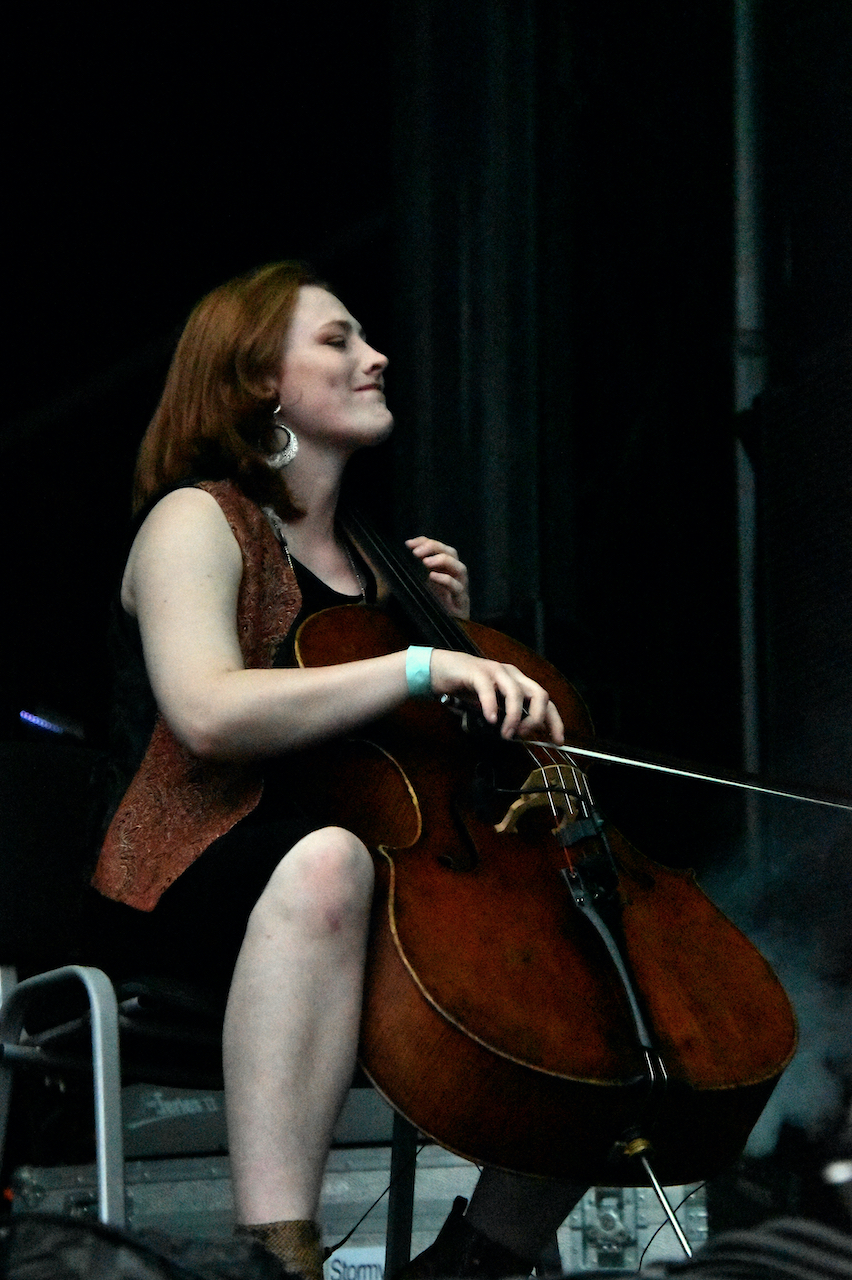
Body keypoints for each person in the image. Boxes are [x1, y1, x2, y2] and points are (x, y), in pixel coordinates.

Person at [89, 261, 587, 1280]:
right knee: (327, 860)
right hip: (205, 881)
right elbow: (209, 709)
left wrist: (446, 626)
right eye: (338, 339)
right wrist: (419, 659)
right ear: (256, 379)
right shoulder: (199, 518)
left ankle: (479, 1260)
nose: (376, 355)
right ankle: (279, 1260)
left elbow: (414, 771)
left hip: (382, 894)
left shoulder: (382, 560)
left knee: (581, 950)